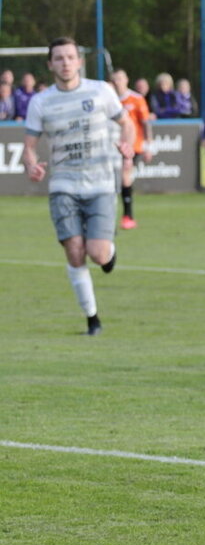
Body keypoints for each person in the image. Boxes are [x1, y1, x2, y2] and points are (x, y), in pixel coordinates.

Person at [21, 37, 135, 335]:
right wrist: (31, 164)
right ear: (50, 65)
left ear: (80, 61)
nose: (66, 63)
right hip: (63, 185)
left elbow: (127, 123)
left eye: (70, 57)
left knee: (98, 254)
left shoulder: (100, 91)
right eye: (59, 58)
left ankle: (108, 255)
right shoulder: (41, 102)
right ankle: (92, 317)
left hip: (100, 184)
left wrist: (128, 146)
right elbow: (29, 146)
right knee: (74, 250)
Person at [110, 69, 155, 230]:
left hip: (132, 146)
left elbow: (145, 123)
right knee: (112, 180)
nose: (117, 82)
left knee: (125, 175)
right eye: (114, 79)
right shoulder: (108, 99)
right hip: (111, 146)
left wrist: (149, 146)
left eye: (120, 79)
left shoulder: (136, 99)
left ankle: (128, 216)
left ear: (127, 80)